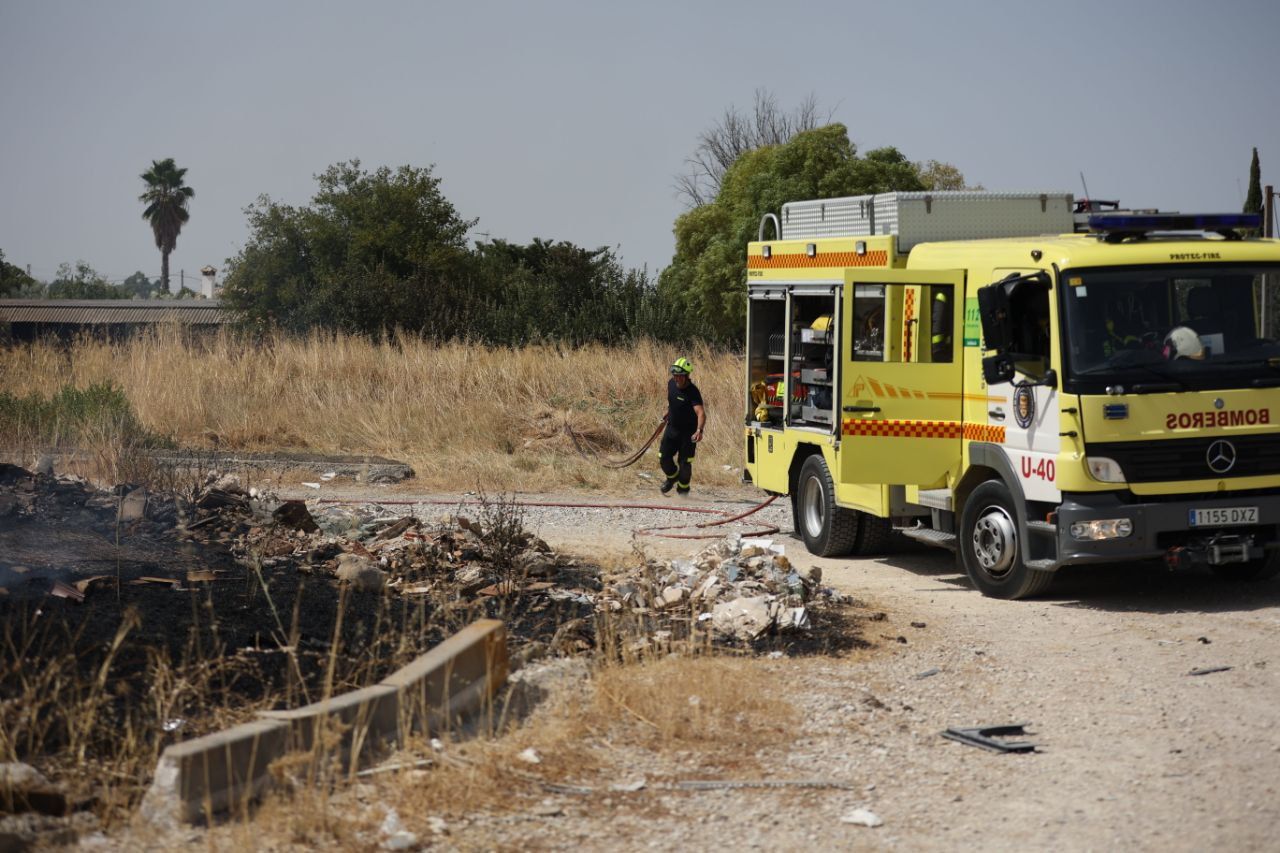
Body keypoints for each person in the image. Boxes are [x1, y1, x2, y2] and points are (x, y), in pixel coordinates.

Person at [659, 357, 705, 496]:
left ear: (686, 375)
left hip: (688, 434)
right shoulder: (671, 384)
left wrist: (699, 430)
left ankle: (683, 491)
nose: (676, 378)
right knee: (664, 458)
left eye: (679, 375)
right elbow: (673, 402)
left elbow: (701, 413)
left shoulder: (693, 392)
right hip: (672, 430)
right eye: (674, 374)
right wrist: (668, 412)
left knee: (685, 464)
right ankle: (672, 478)